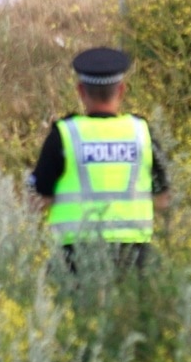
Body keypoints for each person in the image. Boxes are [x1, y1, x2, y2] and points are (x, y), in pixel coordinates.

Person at [28, 47, 170, 273]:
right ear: (121, 90)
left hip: (76, 258)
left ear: (81, 90)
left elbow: (37, 202)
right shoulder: (142, 133)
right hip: (134, 257)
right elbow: (163, 200)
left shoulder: (65, 135)